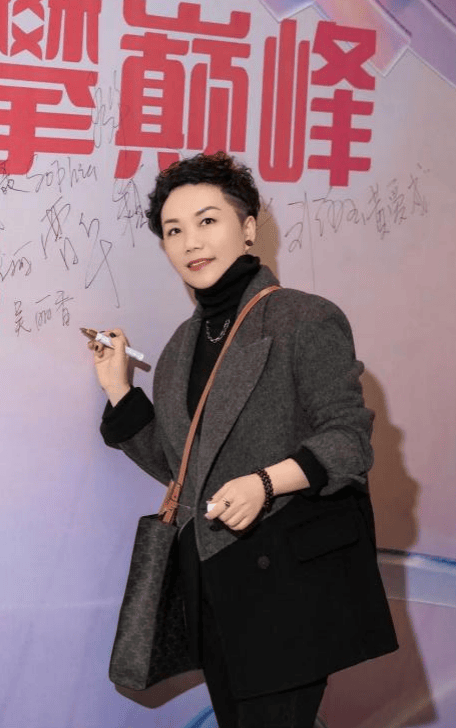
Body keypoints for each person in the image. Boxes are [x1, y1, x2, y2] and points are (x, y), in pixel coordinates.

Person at [88, 152, 398, 728]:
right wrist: (119, 391)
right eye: (173, 230)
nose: (191, 242)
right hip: (214, 584)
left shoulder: (303, 318)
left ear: (248, 228)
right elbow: (184, 470)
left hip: (288, 587)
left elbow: (350, 440)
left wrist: (265, 483)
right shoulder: (180, 348)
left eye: (207, 221)